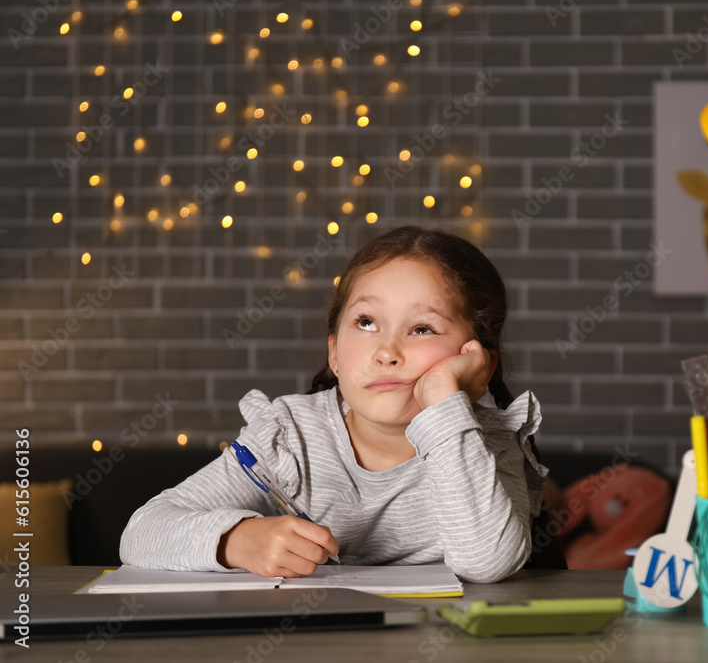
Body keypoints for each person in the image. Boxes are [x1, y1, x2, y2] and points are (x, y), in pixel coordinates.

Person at [120, 225, 561, 583]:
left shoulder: (485, 445)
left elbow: (487, 562)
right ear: (334, 352)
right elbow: (142, 532)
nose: (387, 351)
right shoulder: (291, 437)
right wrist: (239, 539)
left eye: (423, 328)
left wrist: (445, 400)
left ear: (476, 363)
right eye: (366, 322)